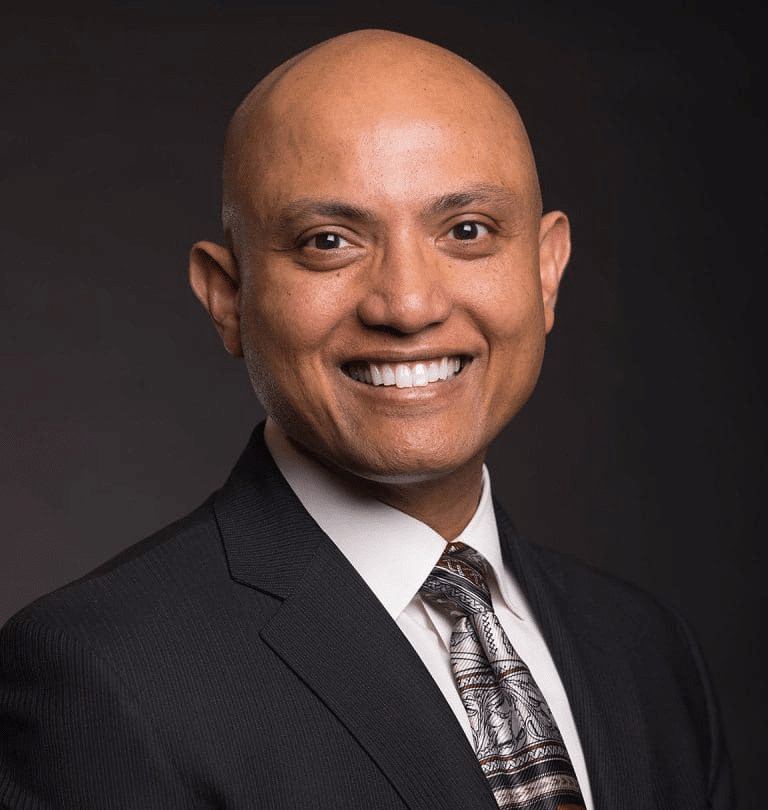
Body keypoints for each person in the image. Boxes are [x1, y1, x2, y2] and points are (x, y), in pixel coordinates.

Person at [0, 29, 734, 810]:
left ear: (547, 271)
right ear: (227, 296)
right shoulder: (99, 679)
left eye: (467, 230)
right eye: (329, 242)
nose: (408, 305)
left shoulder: (648, 652)